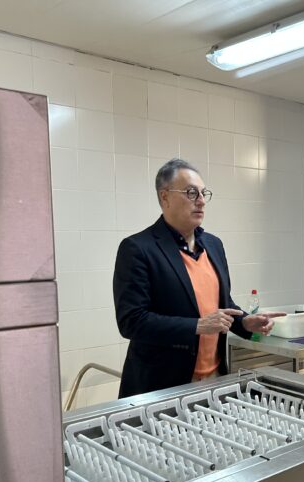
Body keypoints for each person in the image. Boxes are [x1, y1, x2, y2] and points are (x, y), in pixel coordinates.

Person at [113, 158, 284, 399]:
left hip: (214, 382)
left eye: (203, 193)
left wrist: (244, 323)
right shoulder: (138, 249)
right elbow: (132, 321)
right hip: (161, 387)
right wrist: (197, 325)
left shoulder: (214, 245)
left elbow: (222, 307)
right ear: (165, 197)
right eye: (191, 193)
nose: (201, 201)